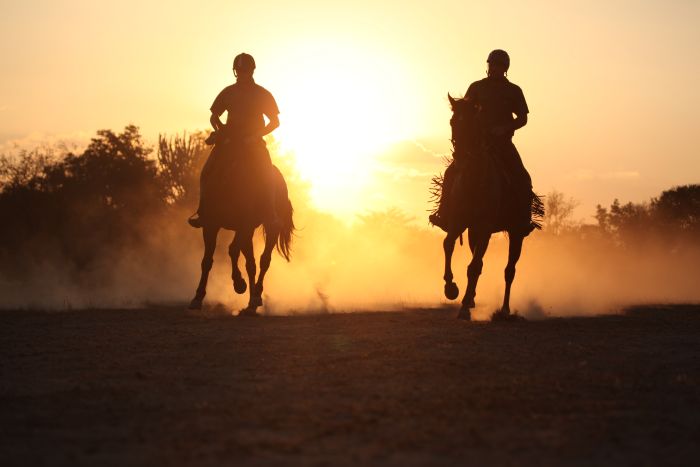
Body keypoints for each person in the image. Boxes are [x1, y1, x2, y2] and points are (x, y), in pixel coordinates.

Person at [429, 49, 534, 234]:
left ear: (505, 68)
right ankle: (444, 214)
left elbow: (523, 118)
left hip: (502, 144)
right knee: (451, 173)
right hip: (476, 145)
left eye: (499, 66)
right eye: (492, 65)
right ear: (488, 66)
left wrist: (504, 128)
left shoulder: (513, 90)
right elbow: (465, 110)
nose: (494, 68)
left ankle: (522, 221)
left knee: (523, 178)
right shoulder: (477, 87)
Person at [188, 53, 280, 228]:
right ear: (235, 72)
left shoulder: (263, 94)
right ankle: (203, 211)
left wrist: (256, 135)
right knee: (207, 171)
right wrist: (220, 130)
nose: (242, 74)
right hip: (229, 141)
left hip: (253, 143)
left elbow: (275, 122)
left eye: (245, 71)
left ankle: (270, 212)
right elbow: (214, 116)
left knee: (267, 173)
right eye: (239, 71)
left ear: (252, 71)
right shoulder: (227, 92)